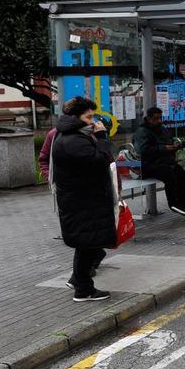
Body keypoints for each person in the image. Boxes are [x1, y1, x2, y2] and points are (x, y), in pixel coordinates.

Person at [51, 96, 115, 302]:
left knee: (88, 245)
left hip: (84, 200)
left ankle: (78, 281)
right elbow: (99, 162)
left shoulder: (73, 135)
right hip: (82, 202)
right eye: (89, 117)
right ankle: (83, 289)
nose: (92, 121)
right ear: (76, 117)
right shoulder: (73, 140)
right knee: (87, 246)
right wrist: (103, 138)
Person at [133, 107, 185, 217]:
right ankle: (173, 203)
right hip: (149, 165)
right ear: (149, 119)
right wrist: (164, 148)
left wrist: (174, 145)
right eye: (156, 119)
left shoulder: (162, 129)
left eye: (160, 118)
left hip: (166, 161)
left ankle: (182, 205)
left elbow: (170, 139)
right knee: (170, 176)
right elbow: (143, 150)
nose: (159, 121)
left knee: (184, 175)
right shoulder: (142, 132)